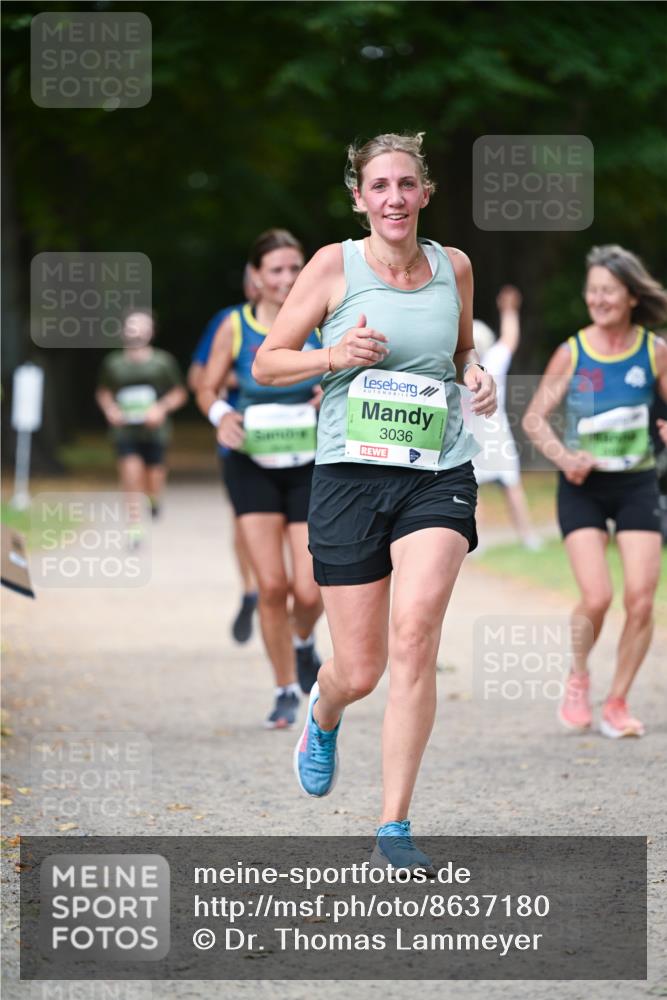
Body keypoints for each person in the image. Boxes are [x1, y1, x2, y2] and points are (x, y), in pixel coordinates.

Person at [253, 133, 496, 873]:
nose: (394, 198)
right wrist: (332, 356)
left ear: (424, 193)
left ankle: (393, 824)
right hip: (349, 477)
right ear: (359, 198)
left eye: (406, 184)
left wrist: (476, 374)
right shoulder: (333, 265)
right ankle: (322, 714)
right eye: (379, 186)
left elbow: (458, 355)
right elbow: (267, 362)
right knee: (358, 669)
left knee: (415, 633)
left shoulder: (454, 266)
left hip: (436, 471)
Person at [522, 245, 667, 738]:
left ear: (630, 296)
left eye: (608, 290)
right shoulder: (573, 351)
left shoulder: (653, 351)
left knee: (642, 601)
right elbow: (534, 418)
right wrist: (565, 458)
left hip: (636, 483)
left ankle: (618, 702)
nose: (599, 299)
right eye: (593, 290)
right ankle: (579, 677)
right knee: (598, 596)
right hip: (582, 486)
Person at [197, 229, 324, 729]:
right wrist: (220, 415)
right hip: (251, 464)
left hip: (310, 464)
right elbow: (206, 387)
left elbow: (347, 372)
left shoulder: (321, 320)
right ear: (257, 276)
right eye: (276, 269)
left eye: (295, 268)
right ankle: (285, 688)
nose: (287, 279)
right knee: (272, 586)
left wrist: (326, 392)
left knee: (310, 590)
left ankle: (305, 641)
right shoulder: (235, 324)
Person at [187, 269, 258, 644]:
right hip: (242, 438)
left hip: (302, 442)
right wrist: (246, 376)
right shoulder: (228, 321)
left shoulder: (308, 313)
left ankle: (290, 596)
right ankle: (251, 590)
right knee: (245, 521)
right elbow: (197, 378)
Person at [96, 309, 187, 536]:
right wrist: (110, 409)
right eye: (132, 325)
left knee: (153, 478)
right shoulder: (113, 363)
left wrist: (161, 408)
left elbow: (179, 393)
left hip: (155, 432)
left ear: (152, 331)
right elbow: (104, 391)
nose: (137, 330)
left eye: (142, 325)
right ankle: (134, 525)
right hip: (125, 431)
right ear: (123, 330)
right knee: (130, 474)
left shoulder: (163, 362)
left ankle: (154, 499)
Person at [467, 286, 542, 550]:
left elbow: (509, 339)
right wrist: (509, 309)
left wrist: (509, 309)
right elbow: (510, 337)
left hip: (475, 438)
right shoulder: (494, 362)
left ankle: (479, 544)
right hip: (494, 434)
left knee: (475, 491)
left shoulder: (459, 367)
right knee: (510, 487)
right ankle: (527, 537)